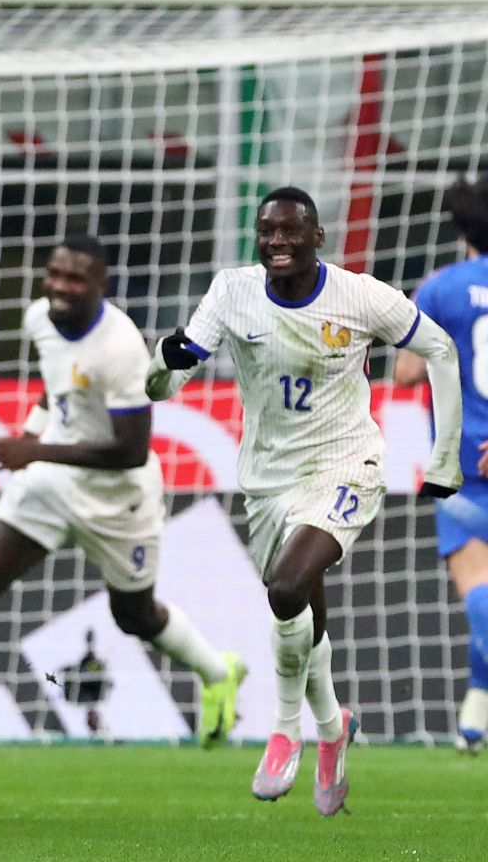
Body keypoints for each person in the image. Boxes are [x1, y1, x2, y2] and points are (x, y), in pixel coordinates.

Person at [149, 187, 462, 814]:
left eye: (292, 231)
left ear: (318, 237)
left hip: (347, 464)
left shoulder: (361, 296)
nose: (279, 242)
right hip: (267, 477)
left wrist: (445, 456)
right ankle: (332, 726)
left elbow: (439, 348)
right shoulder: (232, 292)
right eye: (267, 232)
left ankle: (285, 726)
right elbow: (165, 384)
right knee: (299, 607)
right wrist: (163, 361)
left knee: (288, 587)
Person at [0, 236, 244, 768]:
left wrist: (32, 449)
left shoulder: (121, 349)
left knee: (134, 615)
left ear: (102, 285)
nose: (59, 287)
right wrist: (30, 437)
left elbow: (130, 450)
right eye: (54, 274)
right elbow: (55, 387)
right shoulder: (39, 319)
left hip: (119, 499)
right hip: (53, 484)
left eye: (74, 279)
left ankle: (218, 671)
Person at [392, 175, 488, 754]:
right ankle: (476, 709)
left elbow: (405, 373)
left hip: (462, 466)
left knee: (478, 587)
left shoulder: (443, 289)